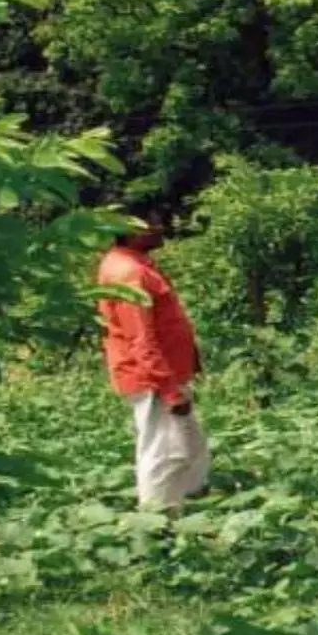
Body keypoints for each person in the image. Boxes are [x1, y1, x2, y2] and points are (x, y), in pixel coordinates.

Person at [96, 210, 210, 512]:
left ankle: (191, 508)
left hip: (163, 374)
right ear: (132, 230)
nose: (162, 228)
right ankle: (157, 523)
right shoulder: (128, 273)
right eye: (154, 223)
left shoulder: (132, 265)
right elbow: (140, 338)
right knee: (163, 453)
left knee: (190, 448)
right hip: (154, 379)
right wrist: (170, 390)